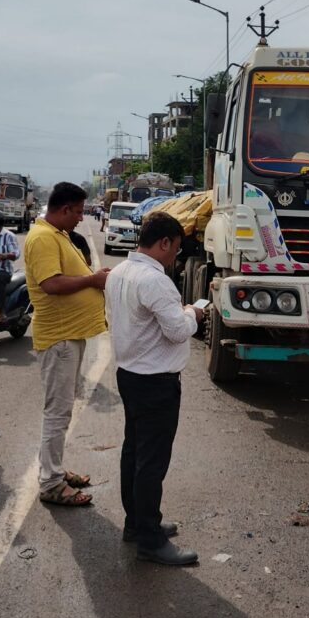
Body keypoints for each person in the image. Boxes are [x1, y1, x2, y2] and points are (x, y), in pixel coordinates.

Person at [105, 211, 203, 567]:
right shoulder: (155, 280)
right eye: (175, 250)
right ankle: (150, 539)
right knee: (151, 462)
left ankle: (138, 523)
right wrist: (194, 313)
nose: (175, 256)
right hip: (155, 382)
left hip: (130, 374)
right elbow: (177, 330)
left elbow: (114, 320)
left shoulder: (118, 272)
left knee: (134, 452)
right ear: (164, 243)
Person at [24, 182, 109, 507]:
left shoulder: (56, 234)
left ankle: (54, 470)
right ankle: (51, 483)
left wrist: (91, 275)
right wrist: (92, 280)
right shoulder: (44, 237)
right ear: (64, 209)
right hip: (58, 338)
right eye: (77, 212)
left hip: (68, 336)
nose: (80, 217)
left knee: (61, 410)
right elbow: (51, 283)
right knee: (57, 413)